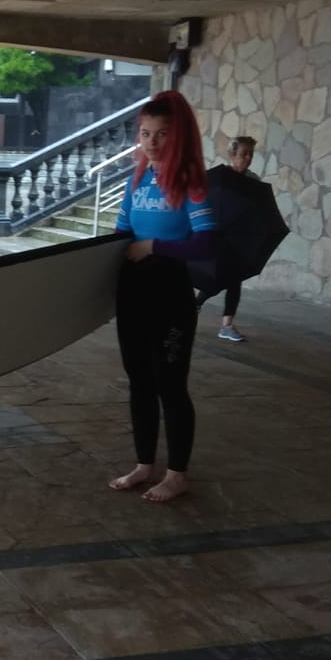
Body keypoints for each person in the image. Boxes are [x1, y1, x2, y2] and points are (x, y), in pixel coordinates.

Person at [109, 90, 216, 505]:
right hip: (133, 293)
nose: (151, 142)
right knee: (139, 381)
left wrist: (155, 246)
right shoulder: (136, 180)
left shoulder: (191, 184)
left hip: (170, 295)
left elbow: (205, 243)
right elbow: (120, 235)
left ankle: (177, 474)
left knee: (170, 385)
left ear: (179, 136)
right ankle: (144, 464)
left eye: (162, 134)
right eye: (145, 133)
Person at [199, 135, 255, 342]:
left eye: (250, 154)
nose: (248, 158)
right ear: (232, 155)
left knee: (234, 280)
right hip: (218, 236)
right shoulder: (219, 177)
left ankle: (227, 325)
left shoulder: (253, 181)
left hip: (239, 237)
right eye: (244, 154)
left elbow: (256, 209)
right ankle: (196, 303)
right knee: (217, 278)